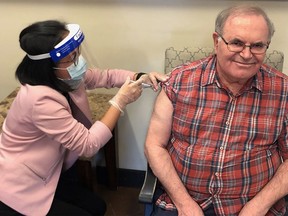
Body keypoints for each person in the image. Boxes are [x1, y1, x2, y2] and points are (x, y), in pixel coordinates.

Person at [0, 20, 168, 216]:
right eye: (71, 58)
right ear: (47, 65)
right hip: (21, 183)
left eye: (76, 54)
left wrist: (141, 76)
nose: (78, 62)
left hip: (51, 170)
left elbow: (104, 77)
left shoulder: (65, 77)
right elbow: (88, 145)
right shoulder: (38, 99)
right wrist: (119, 102)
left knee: (97, 207)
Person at [144, 5, 288, 216]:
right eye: (237, 43)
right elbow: (154, 145)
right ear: (216, 41)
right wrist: (184, 203)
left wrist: (258, 207)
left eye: (258, 46)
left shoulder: (284, 91)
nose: (247, 54)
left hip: (255, 204)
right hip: (185, 200)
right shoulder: (179, 81)